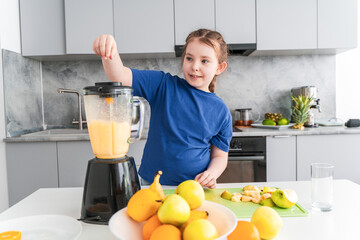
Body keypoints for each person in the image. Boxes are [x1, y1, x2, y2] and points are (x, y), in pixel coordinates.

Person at [92, 29, 232, 189]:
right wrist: (109, 51)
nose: (195, 66)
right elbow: (119, 76)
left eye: (204, 61)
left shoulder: (221, 111)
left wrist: (212, 174)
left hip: (195, 189)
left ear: (219, 68)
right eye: (189, 58)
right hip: (151, 185)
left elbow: (220, 156)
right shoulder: (163, 85)